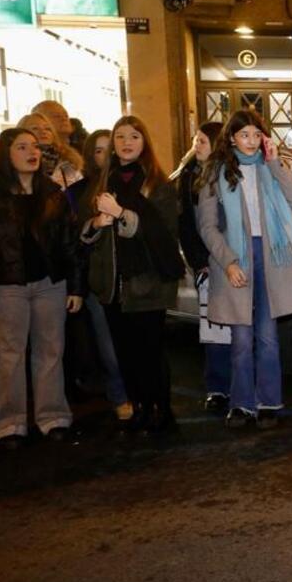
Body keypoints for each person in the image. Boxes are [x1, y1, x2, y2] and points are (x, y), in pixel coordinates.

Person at [0, 127, 83, 448]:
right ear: (6, 154)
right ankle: (8, 424)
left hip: (49, 284)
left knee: (51, 352)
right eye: (22, 147)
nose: (32, 152)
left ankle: (53, 418)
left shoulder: (52, 194)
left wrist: (76, 287)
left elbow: (69, 244)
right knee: (8, 355)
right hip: (3, 285)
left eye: (35, 146)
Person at [197, 110, 292, 430]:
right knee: (242, 339)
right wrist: (228, 262)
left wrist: (274, 162)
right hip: (236, 260)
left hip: (273, 259)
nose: (250, 141)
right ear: (231, 137)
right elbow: (206, 227)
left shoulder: (270, 166)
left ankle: (269, 402)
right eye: (243, 135)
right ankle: (242, 404)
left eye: (255, 135)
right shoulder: (214, 171)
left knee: (269, 337)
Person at [80, 116, 182, 434]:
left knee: (150, 352)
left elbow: (164, 234)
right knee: (125, 354)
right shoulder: (102, 182)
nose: (126, 142)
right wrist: (96, 224)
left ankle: (161, 411)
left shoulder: (157, 184)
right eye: (120, 137)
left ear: (145, 142)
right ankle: (138, 408)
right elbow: (84, 230)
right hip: (113, 285)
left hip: (148, 283)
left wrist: (122, 215)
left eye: (134, 136)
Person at [68, 128, 130, 419]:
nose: (106, 155)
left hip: (129, 276)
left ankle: (138, 395)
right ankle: (119, 396)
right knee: (108, 345)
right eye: (98, 149)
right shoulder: (78, 192)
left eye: (110, 147)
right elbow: (74, 240)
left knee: (133, 342)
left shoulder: (130, 183)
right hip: (96, 278)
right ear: (90, 156)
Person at [172, 121, 231, 412]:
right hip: (207, 264)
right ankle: (218, 387)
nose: (197, 145)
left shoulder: (231, 174)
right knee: (215, 328)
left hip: (234, 261)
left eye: (203, 141)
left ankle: (242, 384)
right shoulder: (188, 176)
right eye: (196, 140)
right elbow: (185, 225)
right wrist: (198, 263)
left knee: (241, 328)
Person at [19, 112, 83, 189]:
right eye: (35, 128)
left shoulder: (68, 161)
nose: (43, 132)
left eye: (47, 129)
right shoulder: (19, 163)